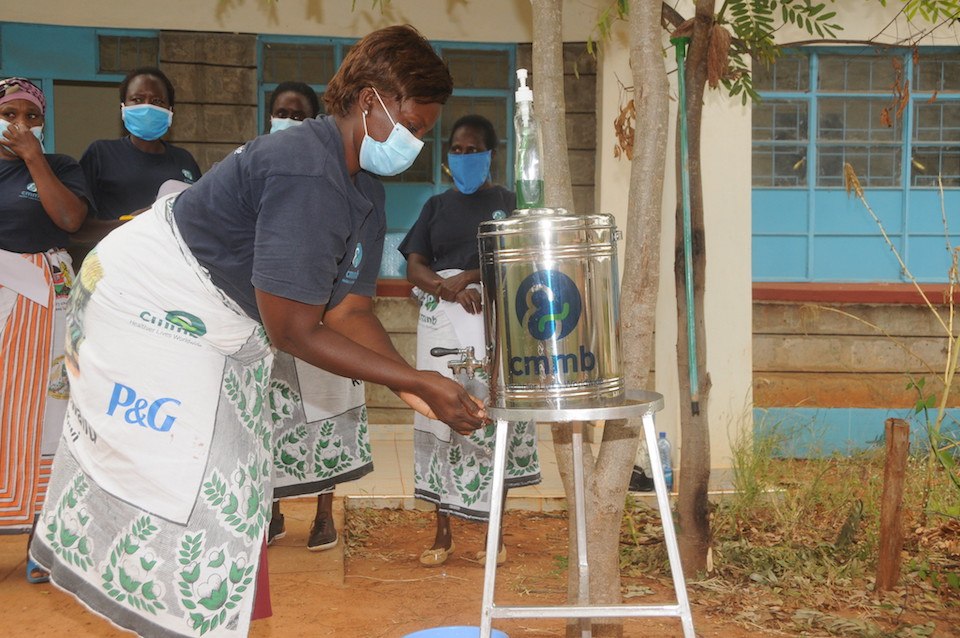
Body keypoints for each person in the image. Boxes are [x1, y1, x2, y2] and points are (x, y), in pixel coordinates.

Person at [29, 25, 485, 638]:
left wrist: (416, 390)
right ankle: (178, 617)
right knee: (197, 483)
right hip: (147, 307)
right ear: (371, 99)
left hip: (220, 321)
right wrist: (416, 377)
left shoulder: (365, 193)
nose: (418, 142)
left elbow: (348, 311)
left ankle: (227, 620)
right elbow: (294, 330)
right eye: (417, 127)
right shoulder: (306, 170)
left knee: (242, 484)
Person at [400, 114, 541, 567]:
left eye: (473, 149)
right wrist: (445, 287)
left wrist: (471, 277)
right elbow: (414, 264)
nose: (464, 157)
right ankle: (442, 533)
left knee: (486, 417)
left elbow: (520, 257)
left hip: (490, 323)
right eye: (456, 150)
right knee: (439, 414)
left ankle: (494, 534)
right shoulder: (435, 205)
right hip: (440, 321)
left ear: (491, 155)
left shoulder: (507, 201)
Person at [262, 81, 369, 552]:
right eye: (281, 112)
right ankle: (271, 512)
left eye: (299, 114)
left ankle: (325, 514)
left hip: (328, 317)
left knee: (332, 414)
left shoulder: (347, 179)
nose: (290, 121)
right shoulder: (260, 165)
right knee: (269, 420)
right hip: (276, 319)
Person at [0, 77, 91, 581]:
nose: (20, 125)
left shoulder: (60, 166)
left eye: (31, 116)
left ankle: (45, 536)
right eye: (9, 114)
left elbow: (71, 219)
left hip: (48, 304)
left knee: (50, 416)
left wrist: (35, 158)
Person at [79, 66, 201, 220]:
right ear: (123, 107)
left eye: (157, 101)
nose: (147, 107)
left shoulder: (184, 159)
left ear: (170, 110)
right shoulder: (101, 154)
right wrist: (132, 225)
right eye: (137, 99)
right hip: (118, 244)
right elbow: (79, 227)